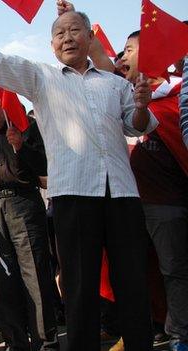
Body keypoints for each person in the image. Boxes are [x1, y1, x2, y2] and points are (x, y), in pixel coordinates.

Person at [0, 7, 157, 350]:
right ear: (52, 45)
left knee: (132, 281)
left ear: (89, 37)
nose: (67, 37)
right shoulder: (42, 78)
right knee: (79, 284)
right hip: (73, 193)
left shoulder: (116, 85)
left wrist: (142, 105)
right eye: (59, 33)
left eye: (74, 31)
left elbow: (137, 124)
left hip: (122, 194)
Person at [121, 30, 188, 351]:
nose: (122, 58)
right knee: (136, 271)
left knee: (174, 270)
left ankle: (181, 335)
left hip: (167, 204)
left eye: (129, 50)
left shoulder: (175, 97)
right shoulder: (123, 97)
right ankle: (151, 326)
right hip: (130, 204)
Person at [0, 102, 59, 351]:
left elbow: (45, 165)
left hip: (23, 201)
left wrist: (20, 146)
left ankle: (45, 342)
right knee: (2, 280)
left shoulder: (26, 127)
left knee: (35, 276)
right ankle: (16, 343)